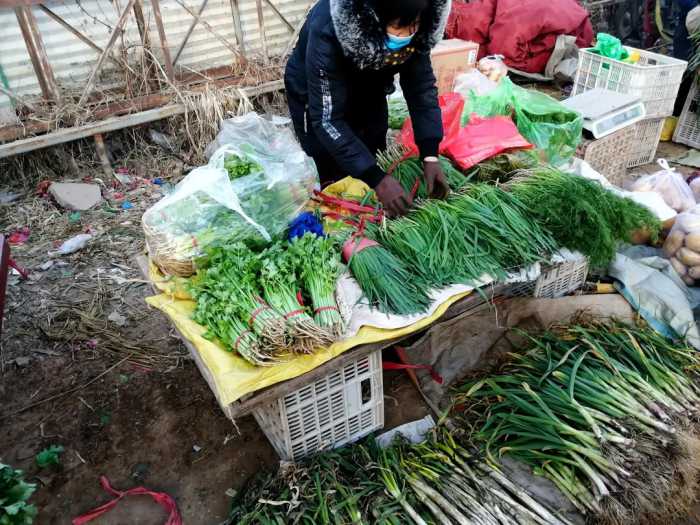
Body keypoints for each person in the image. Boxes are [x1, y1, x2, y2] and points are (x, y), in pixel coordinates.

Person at [285, 0, 464, 216]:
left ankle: (374, 211)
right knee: (329, 163)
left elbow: (421, 89)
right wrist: (376, 178)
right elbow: (327, 120)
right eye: (399, 26)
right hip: (316, 89)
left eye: (414, 23)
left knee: (373, 138)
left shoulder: (419, 22)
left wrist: (430, 153)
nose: (406, 33)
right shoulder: (330, 26)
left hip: (371, 82)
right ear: (376, 17)